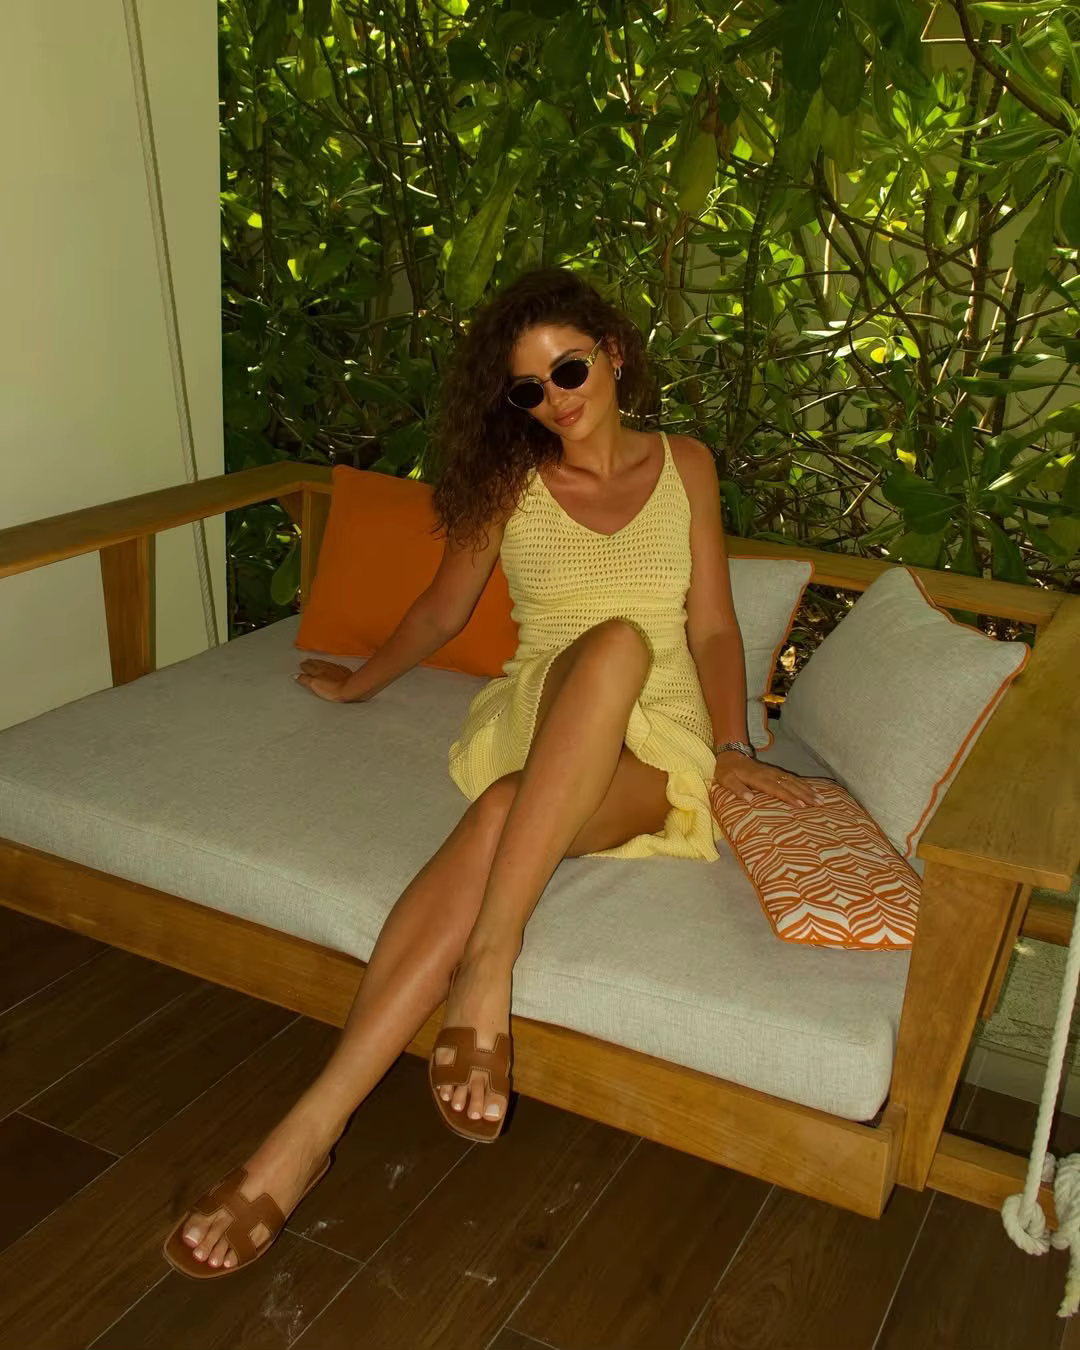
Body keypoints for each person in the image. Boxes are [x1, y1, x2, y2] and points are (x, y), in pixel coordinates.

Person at [163, 267, 818, 1278]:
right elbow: (442, 608)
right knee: (604, 650)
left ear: (613, 354)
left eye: (569, 369)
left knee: (546, 758)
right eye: (529, 388)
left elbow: (715, 629)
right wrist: (360, 682)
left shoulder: (686, 463)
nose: (556, 398)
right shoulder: (512, 482)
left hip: (661, 741)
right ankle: (455, 997)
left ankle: (310, 1131)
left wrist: (733, 748)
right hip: (546, 705)